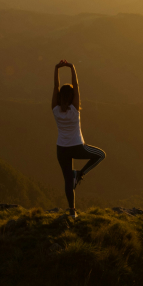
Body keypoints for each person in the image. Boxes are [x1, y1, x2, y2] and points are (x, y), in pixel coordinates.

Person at [52, 60, 106, 218]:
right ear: (72, 97)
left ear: (60, 96)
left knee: (68, 181)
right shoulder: (75, 109)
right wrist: (71, 67)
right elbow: (77, 86)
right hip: (77, 146)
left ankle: (72, 211)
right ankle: (81, 174)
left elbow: (56, 87)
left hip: (61, 149)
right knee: (101, 155)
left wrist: (56, 69)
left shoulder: (55, 109)